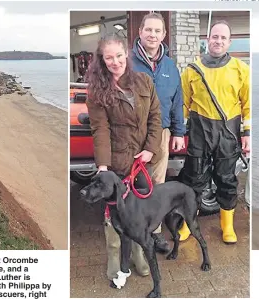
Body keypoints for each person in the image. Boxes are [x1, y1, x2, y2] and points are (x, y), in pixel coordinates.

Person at [85, 33, 163, 286]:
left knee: (139, 212)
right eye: (109, 58)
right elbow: (100, 130)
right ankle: (115, 258)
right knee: (114, 214)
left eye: (119, 56)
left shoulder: (143, 81)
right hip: (116, 164)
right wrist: (104, 168)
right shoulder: (96, 91)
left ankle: (140, 255)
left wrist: (151, 149)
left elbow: (155, 117)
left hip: (142, 161)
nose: (115, 62)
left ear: (126, 54)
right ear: (102, 60)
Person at [178, 20, 250, 244]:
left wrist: (247, 133)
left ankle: (227, 227)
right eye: (214, 36)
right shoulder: (191, 70)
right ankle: (188, 225)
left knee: (227, 180)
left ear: (229, 42)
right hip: (199, 132)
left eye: (222, 38)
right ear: (207, 39)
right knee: (193, 180)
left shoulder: (241, 70)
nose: (218, 41)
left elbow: (248, 104)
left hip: (228, 134)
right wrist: (179, 132)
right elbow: (182, 104)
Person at [131, 12, 186, 253]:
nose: (152, 35)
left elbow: (177, 101)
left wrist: (178, 132)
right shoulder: (128, 62)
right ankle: (134, 232)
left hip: (161, 132)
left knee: (157, 184)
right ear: (140, 32)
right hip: (132, 132)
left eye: (157, 31)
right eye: (148, 30)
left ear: (164, 35)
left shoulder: (170, 66)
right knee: (132, 183)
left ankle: (154, 233)